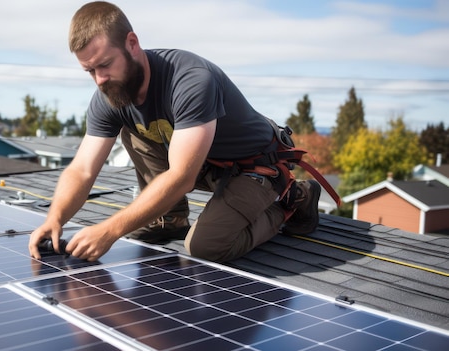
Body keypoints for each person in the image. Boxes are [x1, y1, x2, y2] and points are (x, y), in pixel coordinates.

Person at [28, 1, 321, 262]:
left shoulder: (190, 81)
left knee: (206, 246)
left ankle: (292, 198)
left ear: (132, 43)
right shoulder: (110, 95)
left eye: (105, 65)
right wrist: (55, 218)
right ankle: (170, 219)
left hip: (255, 167)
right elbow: (81, 170)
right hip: (207, 163)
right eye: (90, 71)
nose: (100, 80)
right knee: (134, 130)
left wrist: (111, 229)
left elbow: (181, 177)